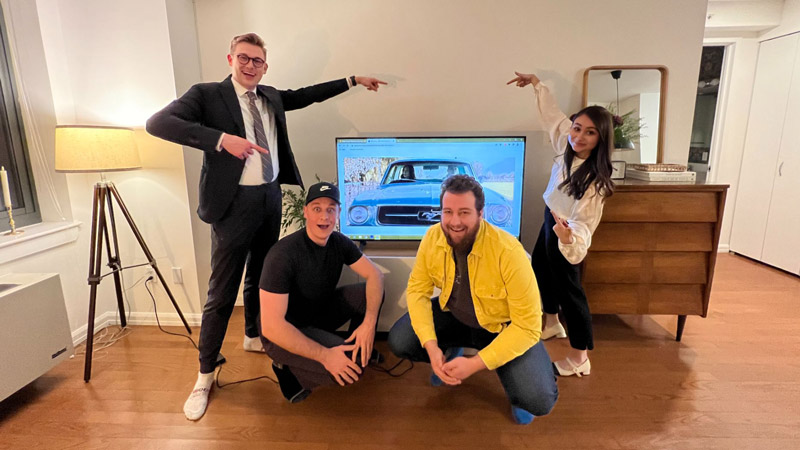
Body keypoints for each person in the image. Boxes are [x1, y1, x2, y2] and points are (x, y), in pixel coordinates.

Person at [145, 32, 387, 420]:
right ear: (230, 58)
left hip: (269, 198)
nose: (250, 66)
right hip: (232, 204)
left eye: (257, 61)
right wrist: (223, 140)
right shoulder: (207, 95)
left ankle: (255, 335)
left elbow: (306, 94)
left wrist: (352, 81)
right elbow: (158, 123)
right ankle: (205, 375)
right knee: (221, 293)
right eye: (243, 58)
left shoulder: (270, 95)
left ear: (265, 66)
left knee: (260, 276)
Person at [388, 175, 558, 425]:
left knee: (538, 400)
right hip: (455, 316)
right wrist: (432, 346)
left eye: (464, 212)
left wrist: (476, 364)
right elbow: (417, 291)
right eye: (448, 212)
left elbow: (529, 327)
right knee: (400, 340)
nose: (454, 222)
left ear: (481, 213)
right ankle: (449, 350)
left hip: (502, 329)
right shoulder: (432, 237)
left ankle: (514, 386)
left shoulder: (509, 252)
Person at [507, 71, 615, 377]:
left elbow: (585, 226)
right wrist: (537, 85)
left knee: (571, 290)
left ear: (601, 139)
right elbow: (553, 116)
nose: (578, 136)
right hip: (549, 216)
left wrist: (568, 238)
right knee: (539, 269)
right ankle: (552, 322)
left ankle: (581, 356)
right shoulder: (566, 145)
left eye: (589, 133)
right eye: (577, 128)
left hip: (567, 231)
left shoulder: (595, 182)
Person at [259, 182, 384, 402]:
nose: (324, 217)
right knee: (352, 370)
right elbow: (272, 327)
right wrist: (326, 356)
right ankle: (288, 370)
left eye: (330, 209)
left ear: (338, 213)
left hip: (316, 315)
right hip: (283, 332)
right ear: (305, 212)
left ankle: (357, 346)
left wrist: (368, 326)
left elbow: (375, 276)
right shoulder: (283, 255)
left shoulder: (338, 243)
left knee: (371, 294)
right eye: (317, 208)